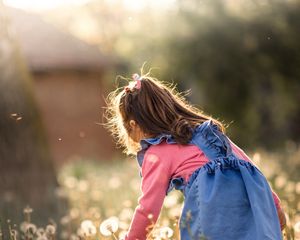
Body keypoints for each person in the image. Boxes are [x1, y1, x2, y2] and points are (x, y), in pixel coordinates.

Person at [104, 72, 286, 240]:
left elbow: (148, 209)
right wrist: (275, 206)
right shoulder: (208, 134)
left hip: (212, 217)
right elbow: (248, 167)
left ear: (133, 125)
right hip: (249, 207)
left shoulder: (157, 152)